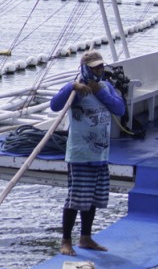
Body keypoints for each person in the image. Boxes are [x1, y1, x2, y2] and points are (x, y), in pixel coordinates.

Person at [50, 53, 126, 255]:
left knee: (92, 198)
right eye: (94, 68)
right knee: (75, 198)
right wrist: (72, 87)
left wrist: (100, 92)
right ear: (84, 68)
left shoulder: (106, 87)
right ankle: (66, 240)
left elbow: (119, 109)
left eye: (100, 67)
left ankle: (85, 237)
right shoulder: (75, 90)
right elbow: (55, 105)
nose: (98, 71)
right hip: (80, 153)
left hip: (100, 154)